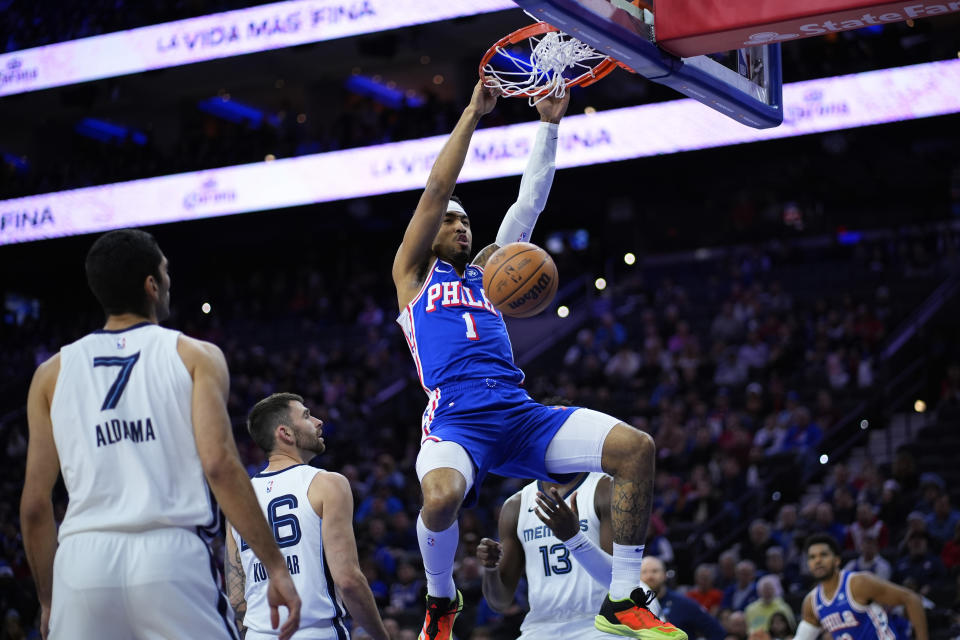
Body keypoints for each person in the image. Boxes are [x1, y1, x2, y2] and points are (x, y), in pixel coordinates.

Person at [391, 80, 684, 640]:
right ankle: (439, 597)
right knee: (442, 497)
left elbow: (529, 200)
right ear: (430, 233)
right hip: (457, 418)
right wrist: (474, 112)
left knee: (634, 449)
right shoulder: (413, 277)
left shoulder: (487, 274)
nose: (461, 226)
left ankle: (623, 597)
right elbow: (436, 188)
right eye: (451, 222)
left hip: (519, 413)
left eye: (465, 223)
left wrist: (548, 124)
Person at [19, 229, 301, 640]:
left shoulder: (50, 374)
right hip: (169, 556)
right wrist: (276, 566)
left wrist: (49, 599)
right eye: (165, 272)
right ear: (152, 285)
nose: (168, 281)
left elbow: (34, 506)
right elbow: (220, 466)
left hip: (82, 566)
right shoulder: (195, 355)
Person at [226, 392, 389, 640]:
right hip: (316, 631)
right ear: (286, 433)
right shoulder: (327, 483)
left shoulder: (238, 499)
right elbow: (348, 581)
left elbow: (237, 596)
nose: (318, 421)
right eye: (306, 415)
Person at [476, 472, 662, 639]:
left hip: (599, 625)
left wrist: (574, 538)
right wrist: (490, 568)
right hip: (540, 628)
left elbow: (618, 579)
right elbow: (499, 603)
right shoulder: (515, 505)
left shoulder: (605, 488)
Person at [795, 533, 928, 640]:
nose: (817, 561)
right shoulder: (811, 602)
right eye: (812, 557)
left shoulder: (859, 583)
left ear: (837, 560)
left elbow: (912, 599)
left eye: (823, 555)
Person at [639, 557, 725, 640]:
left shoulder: (683, 604)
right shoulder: (630, 607)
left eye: (655, 571)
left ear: (665, 575)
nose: (649, 576)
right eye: (644, 572)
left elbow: (717, 632)